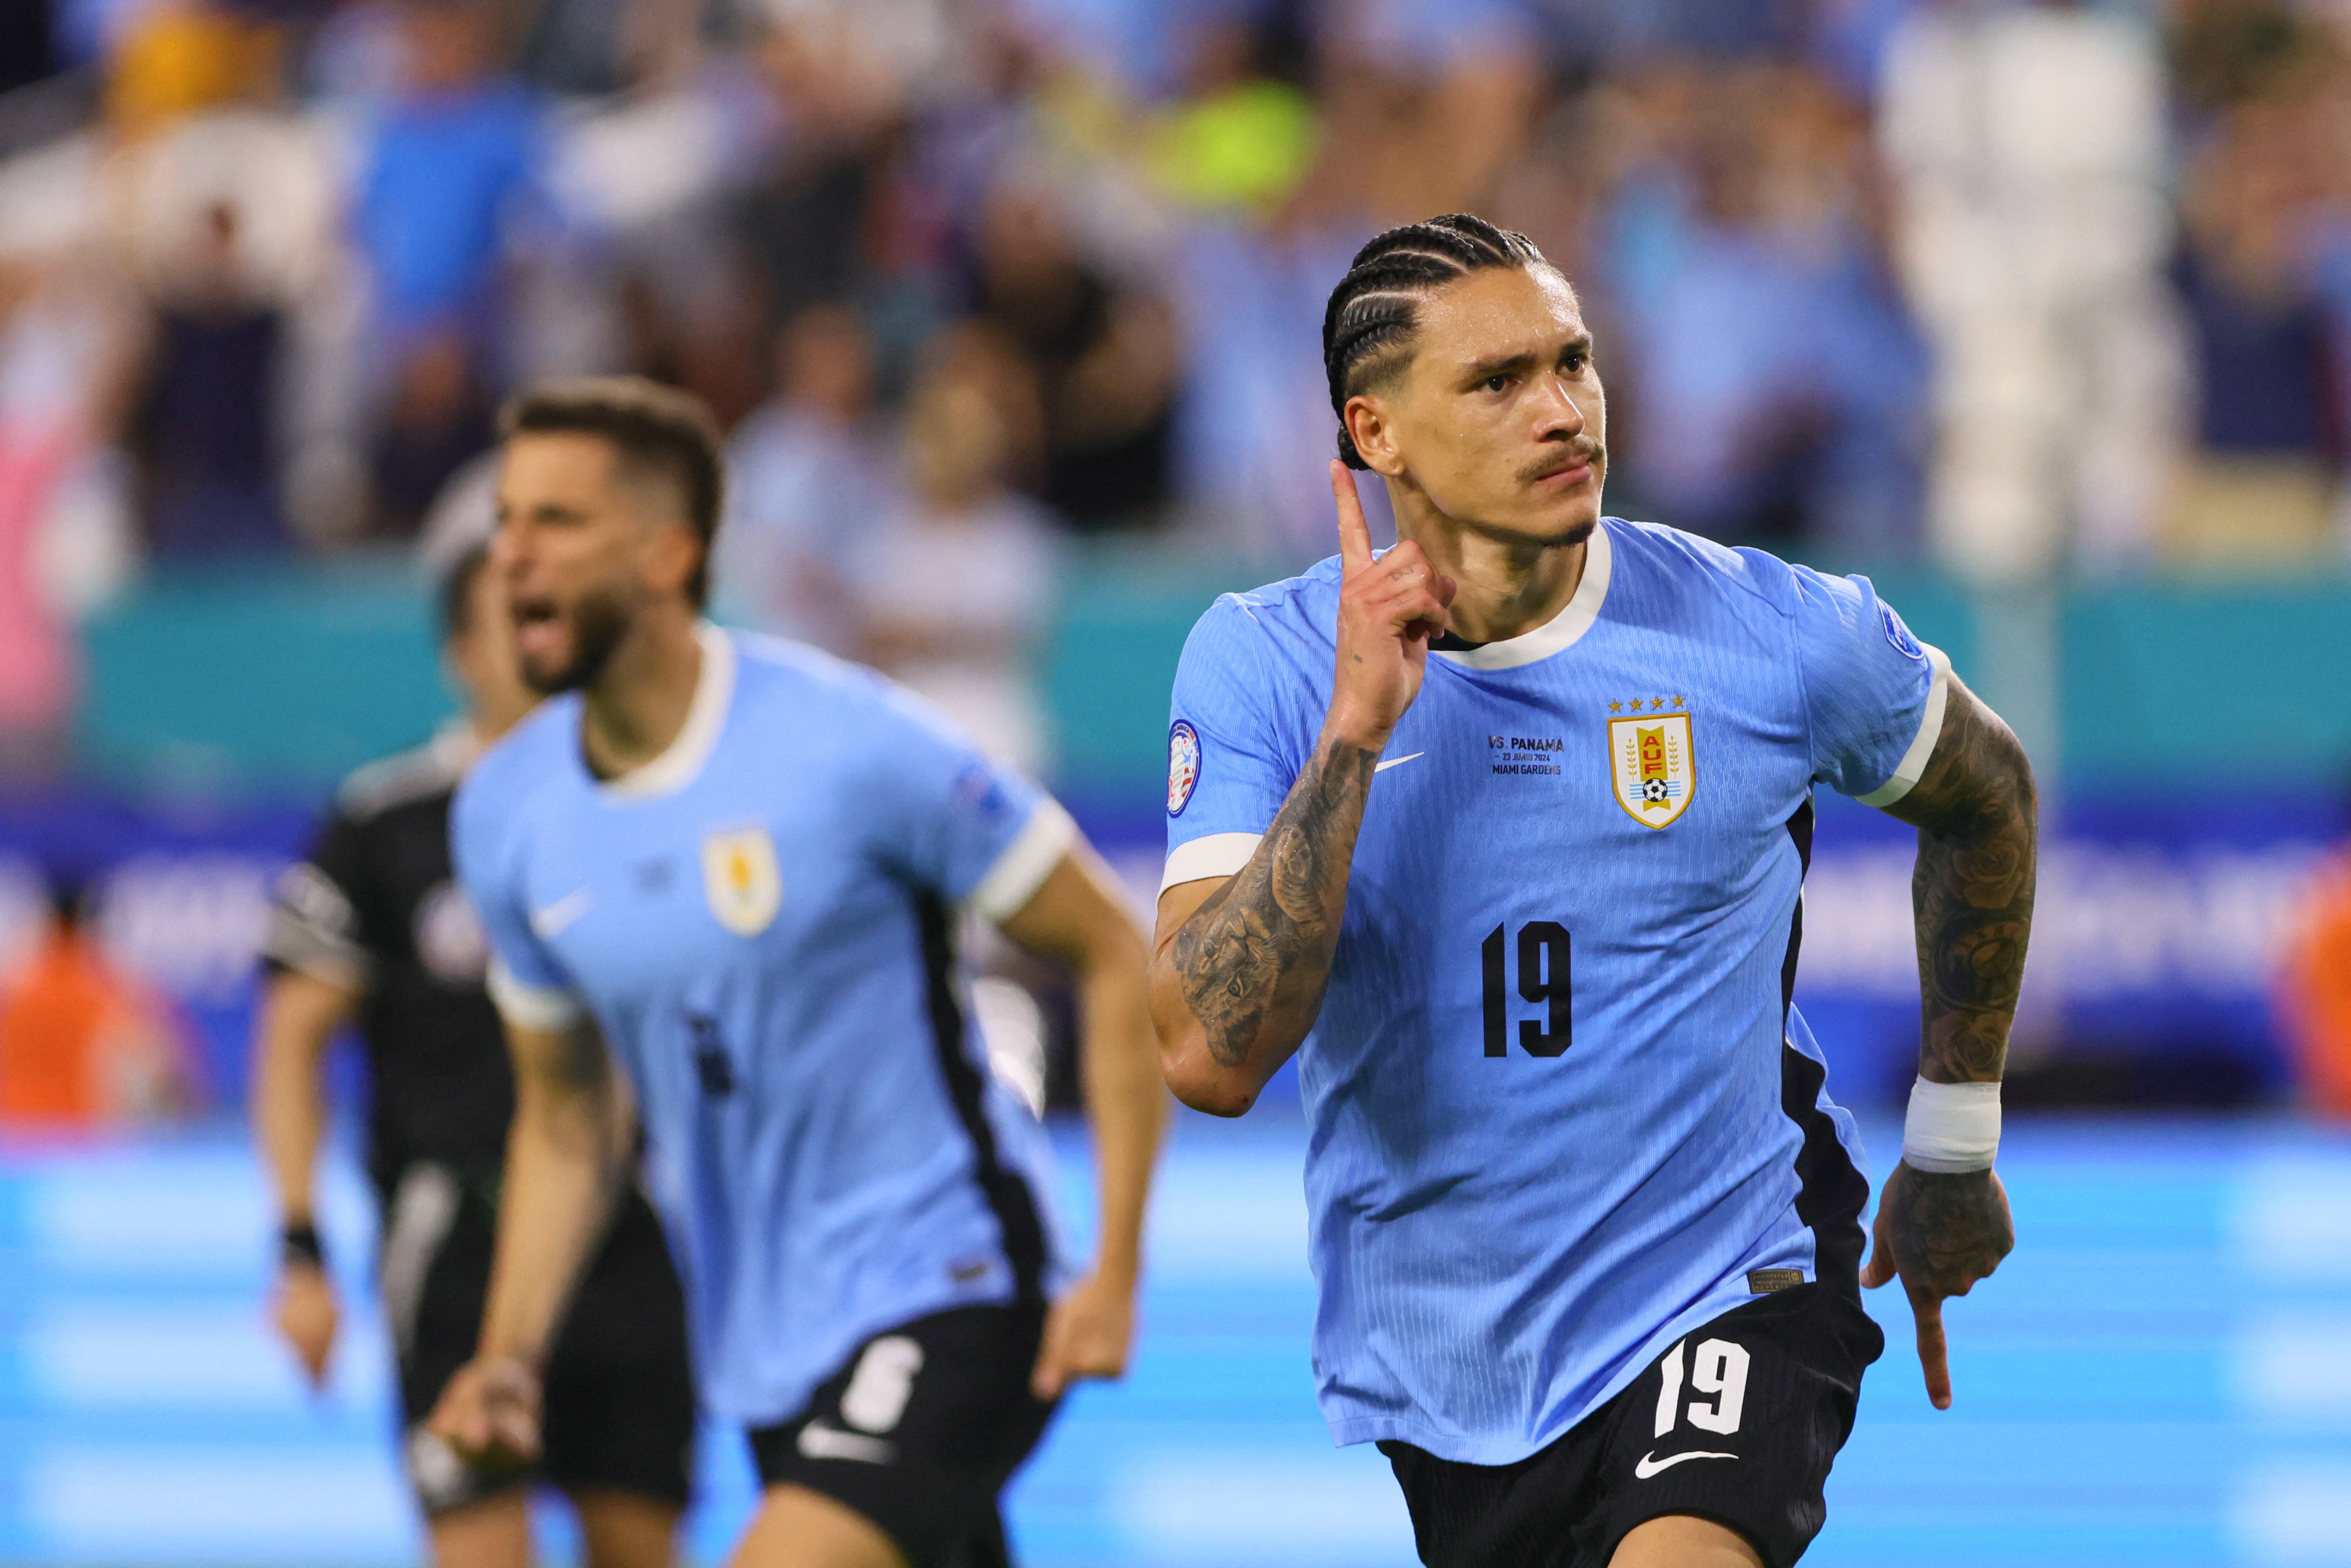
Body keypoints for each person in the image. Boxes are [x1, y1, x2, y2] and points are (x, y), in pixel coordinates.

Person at [1148, 215, 2038, 1568]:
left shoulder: (1775, 634)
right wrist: (1355, 735)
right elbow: (1208, 1054)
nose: (1562, 411)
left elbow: (1988, 791)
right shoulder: (1267, 664)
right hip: (1452, 1361)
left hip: (1730, 1281)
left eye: (1575, 362)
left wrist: (1957, 1131)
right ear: (1376, 433)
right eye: (1498, 381)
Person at [430, 377, 1166, 1568]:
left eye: (555, 522)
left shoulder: (847, 741)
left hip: (954, 1278)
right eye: (505, 521)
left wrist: (1118, 1265)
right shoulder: (508, 817)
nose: (510, 555)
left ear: (669, 554)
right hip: (765, 1344)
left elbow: (1109, 942)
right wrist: (510, 1357)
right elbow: (567, 1120)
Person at [252, 543, 696, 1568]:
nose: (544, 641)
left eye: (559, 618)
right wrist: (299, 1249)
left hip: (625, 1233)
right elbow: (292, 1035)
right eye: (517, 618)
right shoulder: (388, 821)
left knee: (641, 1542)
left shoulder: (646, 810)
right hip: (454, 1236)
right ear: (459, 651)